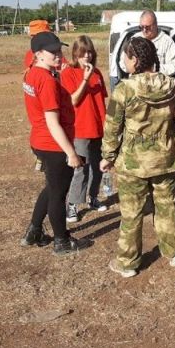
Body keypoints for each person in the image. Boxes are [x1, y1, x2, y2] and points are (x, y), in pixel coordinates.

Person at [101, 37, 175, 278]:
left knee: (131, 212)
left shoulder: (123, 89)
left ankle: (128, 263)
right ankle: (173, 253)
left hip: (133, 162)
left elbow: (112, 126)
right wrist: (168, 138)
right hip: (165, 158)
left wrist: (108, 155)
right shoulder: (172, 86)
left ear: (135, 60)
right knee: (167, 206)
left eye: (126, 57)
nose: (124, 61)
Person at [20, 31, 88, 256]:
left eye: (59, 50)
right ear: (38, 54)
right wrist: (71, 153)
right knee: (58, 194)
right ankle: (62, 241)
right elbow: (52, 121)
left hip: (40, 141)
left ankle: (34, 231)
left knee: (51, 187)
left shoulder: (32, 73)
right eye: (52, 52)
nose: (59, 55)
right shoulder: (46, 80)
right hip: (53, 145)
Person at [60, 35, 109, 224]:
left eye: (89, 52)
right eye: (82, 53)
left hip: (99, 127)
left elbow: (102, 100)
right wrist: (85, 79)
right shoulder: (68, 73)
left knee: (99, 167)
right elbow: (73, 100)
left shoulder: (97, 73)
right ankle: (72, 204)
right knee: (81, 169)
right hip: (80, 129)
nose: (87, 56)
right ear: (75, 54)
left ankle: (93, 197)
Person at [112, 10, 175, 90]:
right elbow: (123, 63)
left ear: (155, 25)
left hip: (158, 88)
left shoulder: (167, 41)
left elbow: (173, 67)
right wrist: (137, 68)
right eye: (141, 27)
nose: (144, 30)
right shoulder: (134, 39)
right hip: (136, 87)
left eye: (147, 27)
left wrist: (153, 69)